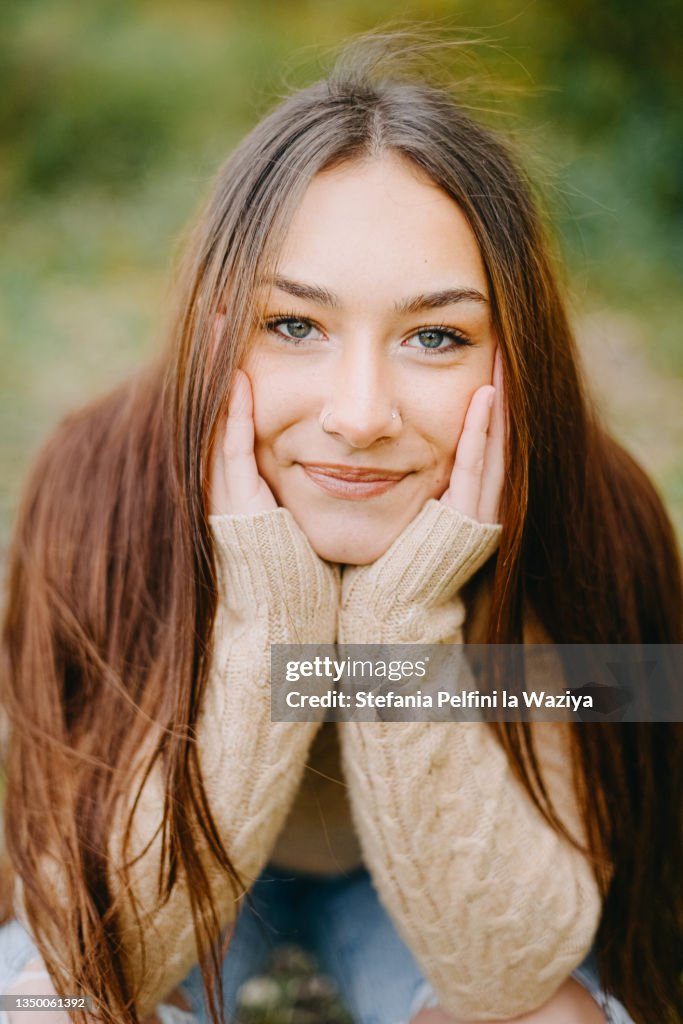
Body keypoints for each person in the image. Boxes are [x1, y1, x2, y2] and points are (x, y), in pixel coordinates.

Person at [0, 37, 680, 1024]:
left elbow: (510, 975)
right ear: (215, 321)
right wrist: (274, 618)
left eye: (435, 337)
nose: (358, 415)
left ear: (513, 349)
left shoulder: (596, 518)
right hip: (177, 863)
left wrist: (399, 625)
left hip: (425, 889)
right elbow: (96, 953)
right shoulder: (90, 488)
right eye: (293, 326)